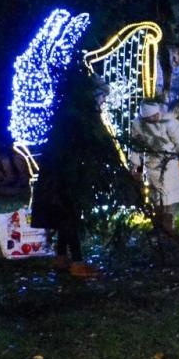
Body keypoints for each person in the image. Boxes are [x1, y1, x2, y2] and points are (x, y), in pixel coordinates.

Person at [28, 54, 122, 278]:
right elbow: (86, 143)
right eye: (101, 97)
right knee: (69, 214)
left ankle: (61, 257)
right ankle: (77, 262)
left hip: (59, 172)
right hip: (65, 174)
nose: (103, 102)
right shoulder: (79, 117)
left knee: (64, 214)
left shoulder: (70, 113)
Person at [131, 44, 179, 235]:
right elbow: (136, 146)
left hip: (169, 158)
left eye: (177, 55)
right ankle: (160, 224)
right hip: (153, 162)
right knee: (156, 194)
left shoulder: (169, 121)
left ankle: (168, 224)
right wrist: (135, 164)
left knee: (168, 194)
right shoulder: (140, 125)